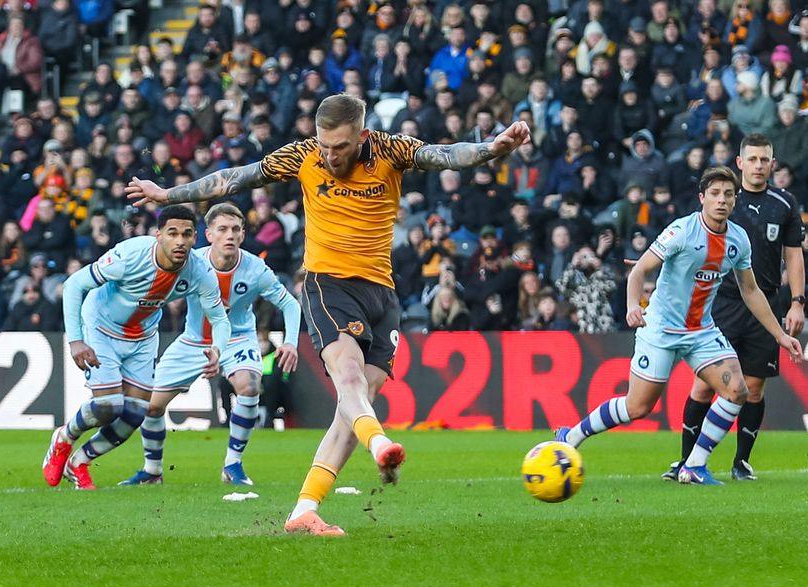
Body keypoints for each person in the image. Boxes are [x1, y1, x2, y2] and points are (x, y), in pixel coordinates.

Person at [125, 93, 530, 535]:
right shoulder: (304, 155)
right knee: (350, 380)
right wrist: (168, 194)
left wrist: (492, 148)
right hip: (328, 286)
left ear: (362, 135)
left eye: (340, 146)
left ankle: (304, 509)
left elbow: (446, 154)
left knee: (355, 404)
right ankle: (379, 443)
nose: (330, 155)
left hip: (382, 294)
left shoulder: (390, 150)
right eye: (324, 145)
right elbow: (235, 178)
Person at [556, 167, 803, 485]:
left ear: (735, 200)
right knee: (637, 407)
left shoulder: (738, 239)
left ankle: (694, 466)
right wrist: (633, 306)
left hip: (701, 330)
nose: (722, 200)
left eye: (728, 195)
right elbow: (639, 270)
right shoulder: (682, 231)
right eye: (715, 194)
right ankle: (572, 435)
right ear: (702, 198)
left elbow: (751, 290)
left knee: (737, 391)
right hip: (661, 329)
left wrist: (780, 335)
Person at [41, 206, 232, 490]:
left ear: (195, 238)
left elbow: (219, 319)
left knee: (135, 413)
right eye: (173, 233)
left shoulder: (199, 271)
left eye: (187, 234)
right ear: (159, 235)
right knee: (108, 406)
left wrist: (217, 349)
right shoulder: (131, 255)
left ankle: (79, 462)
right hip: (101, 326)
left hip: (142, 335)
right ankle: (63, 438)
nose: (180, 241)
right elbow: (74, 285)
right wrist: (76, 340)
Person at [119, 204, 302, 487]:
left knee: (249, 386)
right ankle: (152, 470)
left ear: (243, 235)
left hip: (237, 338)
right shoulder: (191, 262)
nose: (230, 235)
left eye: (235, 229)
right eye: (222, 229)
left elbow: (290, 303)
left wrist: (290, 342)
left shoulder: (255, 268)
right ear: (208, 235)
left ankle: (233, 465)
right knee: (151, 407)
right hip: (193, 341)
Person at [667, 135, 806, 482]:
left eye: (765, 160)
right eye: (753, 159)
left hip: (765, 304)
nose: (759, 166)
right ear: (740, 162)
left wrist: (797, 301)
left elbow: (793, 255)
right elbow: (691, 239)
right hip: (721, 302)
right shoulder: (725, 198)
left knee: (754, 388)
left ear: (772, 164)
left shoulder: (784, 204)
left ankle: (741, 462)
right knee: (704, 386)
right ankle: (686, 460)